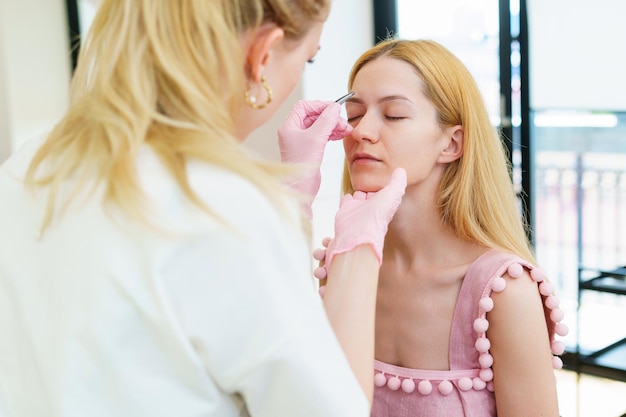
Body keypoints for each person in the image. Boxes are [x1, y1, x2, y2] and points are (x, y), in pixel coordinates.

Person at [0, 1, 408, 416]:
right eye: (308, 59)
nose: (362, 131)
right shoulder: (223, 209)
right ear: (261, 55)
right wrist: (356, 247)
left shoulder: (23, 170)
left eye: (394, 114)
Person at [314, 38, 569, 416]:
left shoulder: (503, 291)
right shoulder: (343, 265)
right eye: (352, 114)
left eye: (394, 115)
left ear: (452, 144)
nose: (361, 131)